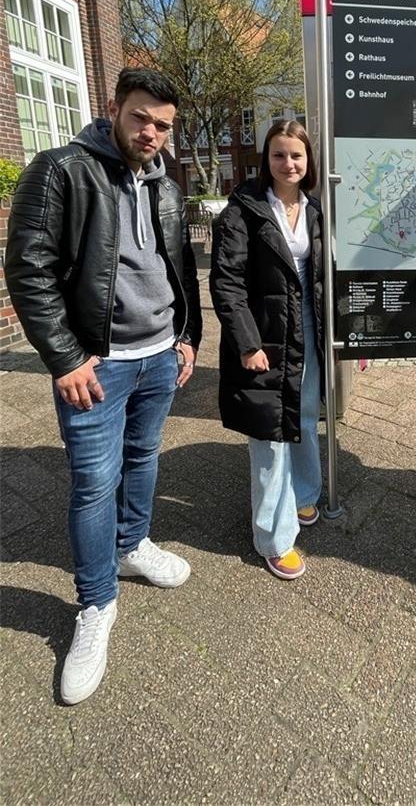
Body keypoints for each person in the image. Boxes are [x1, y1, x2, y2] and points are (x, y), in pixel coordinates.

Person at [6, 67, 202, 705]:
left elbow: (180, 267)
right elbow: (27, 266)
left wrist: (189, 335)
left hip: (158, 357)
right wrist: (65, 359)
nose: (152, 133)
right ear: (114, 108)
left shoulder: (165, 185)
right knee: (93, 482)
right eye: (142, 117)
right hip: (99, 364)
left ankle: (133, 543)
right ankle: (95, 605)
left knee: (143, 458)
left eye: (164, 125)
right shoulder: (62, 169)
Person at [210, 120, 324, 581]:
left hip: (309, 328)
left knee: (307, 415)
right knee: (270, 433)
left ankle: (302, 494)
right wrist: (247, 343)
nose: (289, 163)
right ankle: (273, 539)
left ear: (308, 160)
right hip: (266, 332)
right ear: (266, 159)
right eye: (279, 155)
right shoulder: (244, 210)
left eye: (297, 155)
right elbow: (226, 282)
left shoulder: (314, 209)